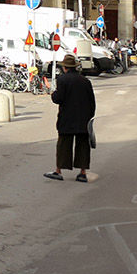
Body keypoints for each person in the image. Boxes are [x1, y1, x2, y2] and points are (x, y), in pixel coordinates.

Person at [46, 53, 96, 182]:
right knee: (83, 145)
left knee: (64, 144)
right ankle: (82, 172)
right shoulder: (85, 81)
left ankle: (59, 170)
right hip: (83, 117)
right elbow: (92, 101)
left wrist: (52, 93)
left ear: (65, 67)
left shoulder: (62, 80)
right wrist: (89, 115)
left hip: (67, 117)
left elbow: (58, 98)